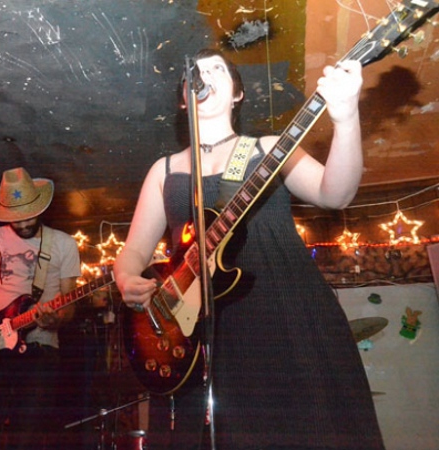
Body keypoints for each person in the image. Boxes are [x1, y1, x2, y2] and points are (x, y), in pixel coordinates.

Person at [113, 48, 385, 449]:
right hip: (195, 335)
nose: (204, 75)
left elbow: (336, 193)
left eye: (217, 70)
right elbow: (134, 251)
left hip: (283, 312)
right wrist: (124, 276)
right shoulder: (164, 171)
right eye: (195, 73)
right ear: (183, 98)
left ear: (237, 93)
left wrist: (345, 119)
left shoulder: (268, 149)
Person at [0, 167, 81, 450]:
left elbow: (70, 307)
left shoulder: (63, 243)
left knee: (28, 437)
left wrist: (53, 320)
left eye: (30, 214)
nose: (24, 222)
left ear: (41, 206)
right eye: (16, 217)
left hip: (40, 347)